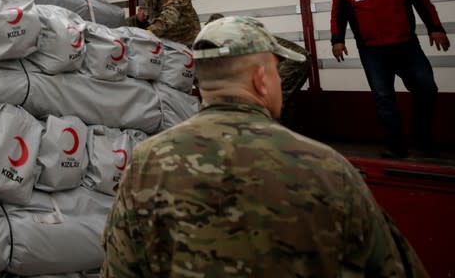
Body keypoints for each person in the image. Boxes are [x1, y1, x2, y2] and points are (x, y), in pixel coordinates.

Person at [102, 15, 428, 277]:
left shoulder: (147, 161)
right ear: (261, 79)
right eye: (274, 71)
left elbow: (121, 265)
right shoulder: (327, 166)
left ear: (199, 82)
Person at [331, 0, 450, 159]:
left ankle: (423, 138)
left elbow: (423, 3)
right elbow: (338, 16)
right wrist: (337, 40)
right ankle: (396, 146)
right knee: (384, 97)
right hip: (372, 51)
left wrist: (435, 28)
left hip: (406, 46)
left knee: (426, 88)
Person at [206, 13, 311, 124]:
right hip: (298, 60)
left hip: (292, 62)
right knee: (285, 102)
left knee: (269, 103)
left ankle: (271, 136)